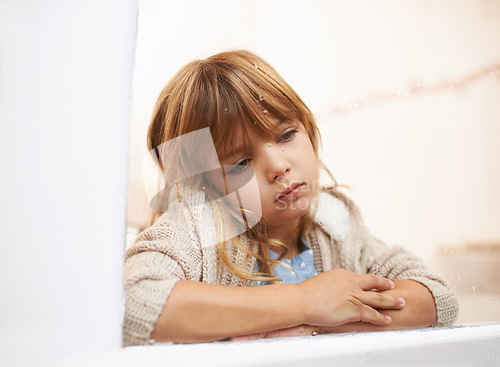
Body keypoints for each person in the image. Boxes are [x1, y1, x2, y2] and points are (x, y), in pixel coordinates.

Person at [123, 50, 458, 347]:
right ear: (205, 187)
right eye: (241, 162)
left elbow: (436, 297)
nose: (279, 166)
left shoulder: (336, 227)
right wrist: (304, 301)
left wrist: (320, 324)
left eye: (286, 135)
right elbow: (132, 302)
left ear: (308, 128)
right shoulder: (198, 230)